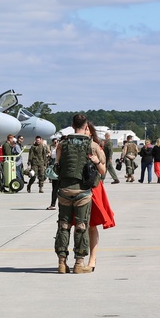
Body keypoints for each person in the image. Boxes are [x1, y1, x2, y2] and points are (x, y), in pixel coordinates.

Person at [53, 114, 103, 274]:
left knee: (64, 225)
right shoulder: (92, 145)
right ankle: (79, 263)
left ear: (72, 125)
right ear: (85, 126)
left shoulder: (62, 144)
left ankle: (62, 262)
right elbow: (102, 168)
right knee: (82, 226)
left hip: (64, 190)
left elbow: (57, 164)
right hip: (82, 191)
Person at [85, 122, 114, 272]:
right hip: (76, 188)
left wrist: (96, 160)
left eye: (87, 130)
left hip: (93, 188)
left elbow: (103, 171)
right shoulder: (71, 146)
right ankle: (79, 258)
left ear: (91, 133)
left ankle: (92, 258)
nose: (84, 132)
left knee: (92, 225)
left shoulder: (96, 147)